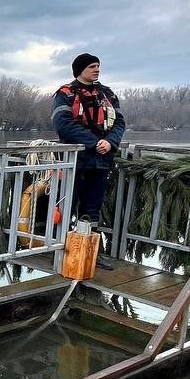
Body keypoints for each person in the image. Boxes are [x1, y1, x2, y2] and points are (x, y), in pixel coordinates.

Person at [51, 52, 126, 270]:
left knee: (92, 209)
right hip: (75, 161)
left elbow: (119, 123)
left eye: (98, 66)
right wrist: (94, 142)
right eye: (92, 66)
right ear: (80, 69)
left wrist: (110, 142)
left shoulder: (107, 95)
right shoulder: (65, 94)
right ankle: (60, 249)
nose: (97, 70)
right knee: (66, 205)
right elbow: (63, 124)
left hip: (100, 162)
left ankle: (91, 252)